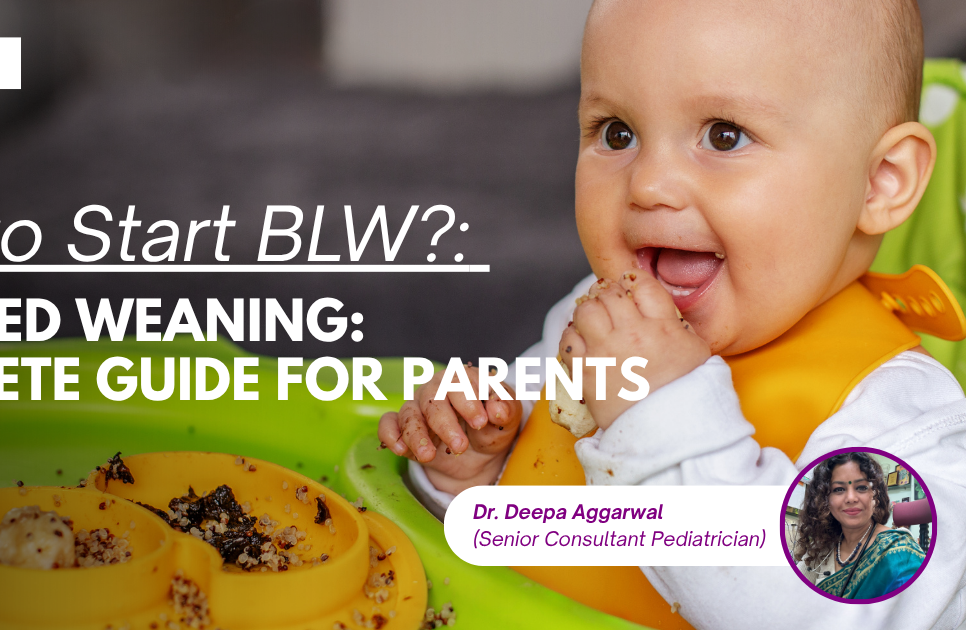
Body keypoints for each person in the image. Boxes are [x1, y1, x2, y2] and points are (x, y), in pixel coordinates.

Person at [378, 0, 966, 628]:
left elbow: (808, 607)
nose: (648, 184)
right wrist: (469, 471)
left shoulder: (903, 421)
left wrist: (658, 416)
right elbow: (512, 539)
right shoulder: (595, 322)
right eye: (617, 133)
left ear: (880, 180)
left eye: (724, 135)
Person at [792, 452, 926, 599]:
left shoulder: (899, 552)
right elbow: (791, 594)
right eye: (838, 489)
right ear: (825, 501)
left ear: (875, 495)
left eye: (861, 487)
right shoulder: (822, 549)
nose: (851, 498)